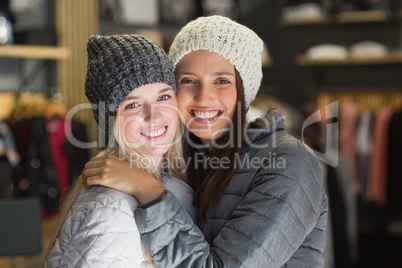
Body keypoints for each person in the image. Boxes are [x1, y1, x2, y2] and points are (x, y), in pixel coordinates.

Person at [84, 16, 328, 267]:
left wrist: (150, 192)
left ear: (244, 90)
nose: (203, 97)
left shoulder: (289, 163)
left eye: (222, 81)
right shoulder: (179, 162)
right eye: (188, 80)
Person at [44, 34, 195, 267]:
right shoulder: (112, 211)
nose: (154, 115)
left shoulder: (172, 181)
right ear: (111, 120)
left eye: (163, 96)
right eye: (133, 104)